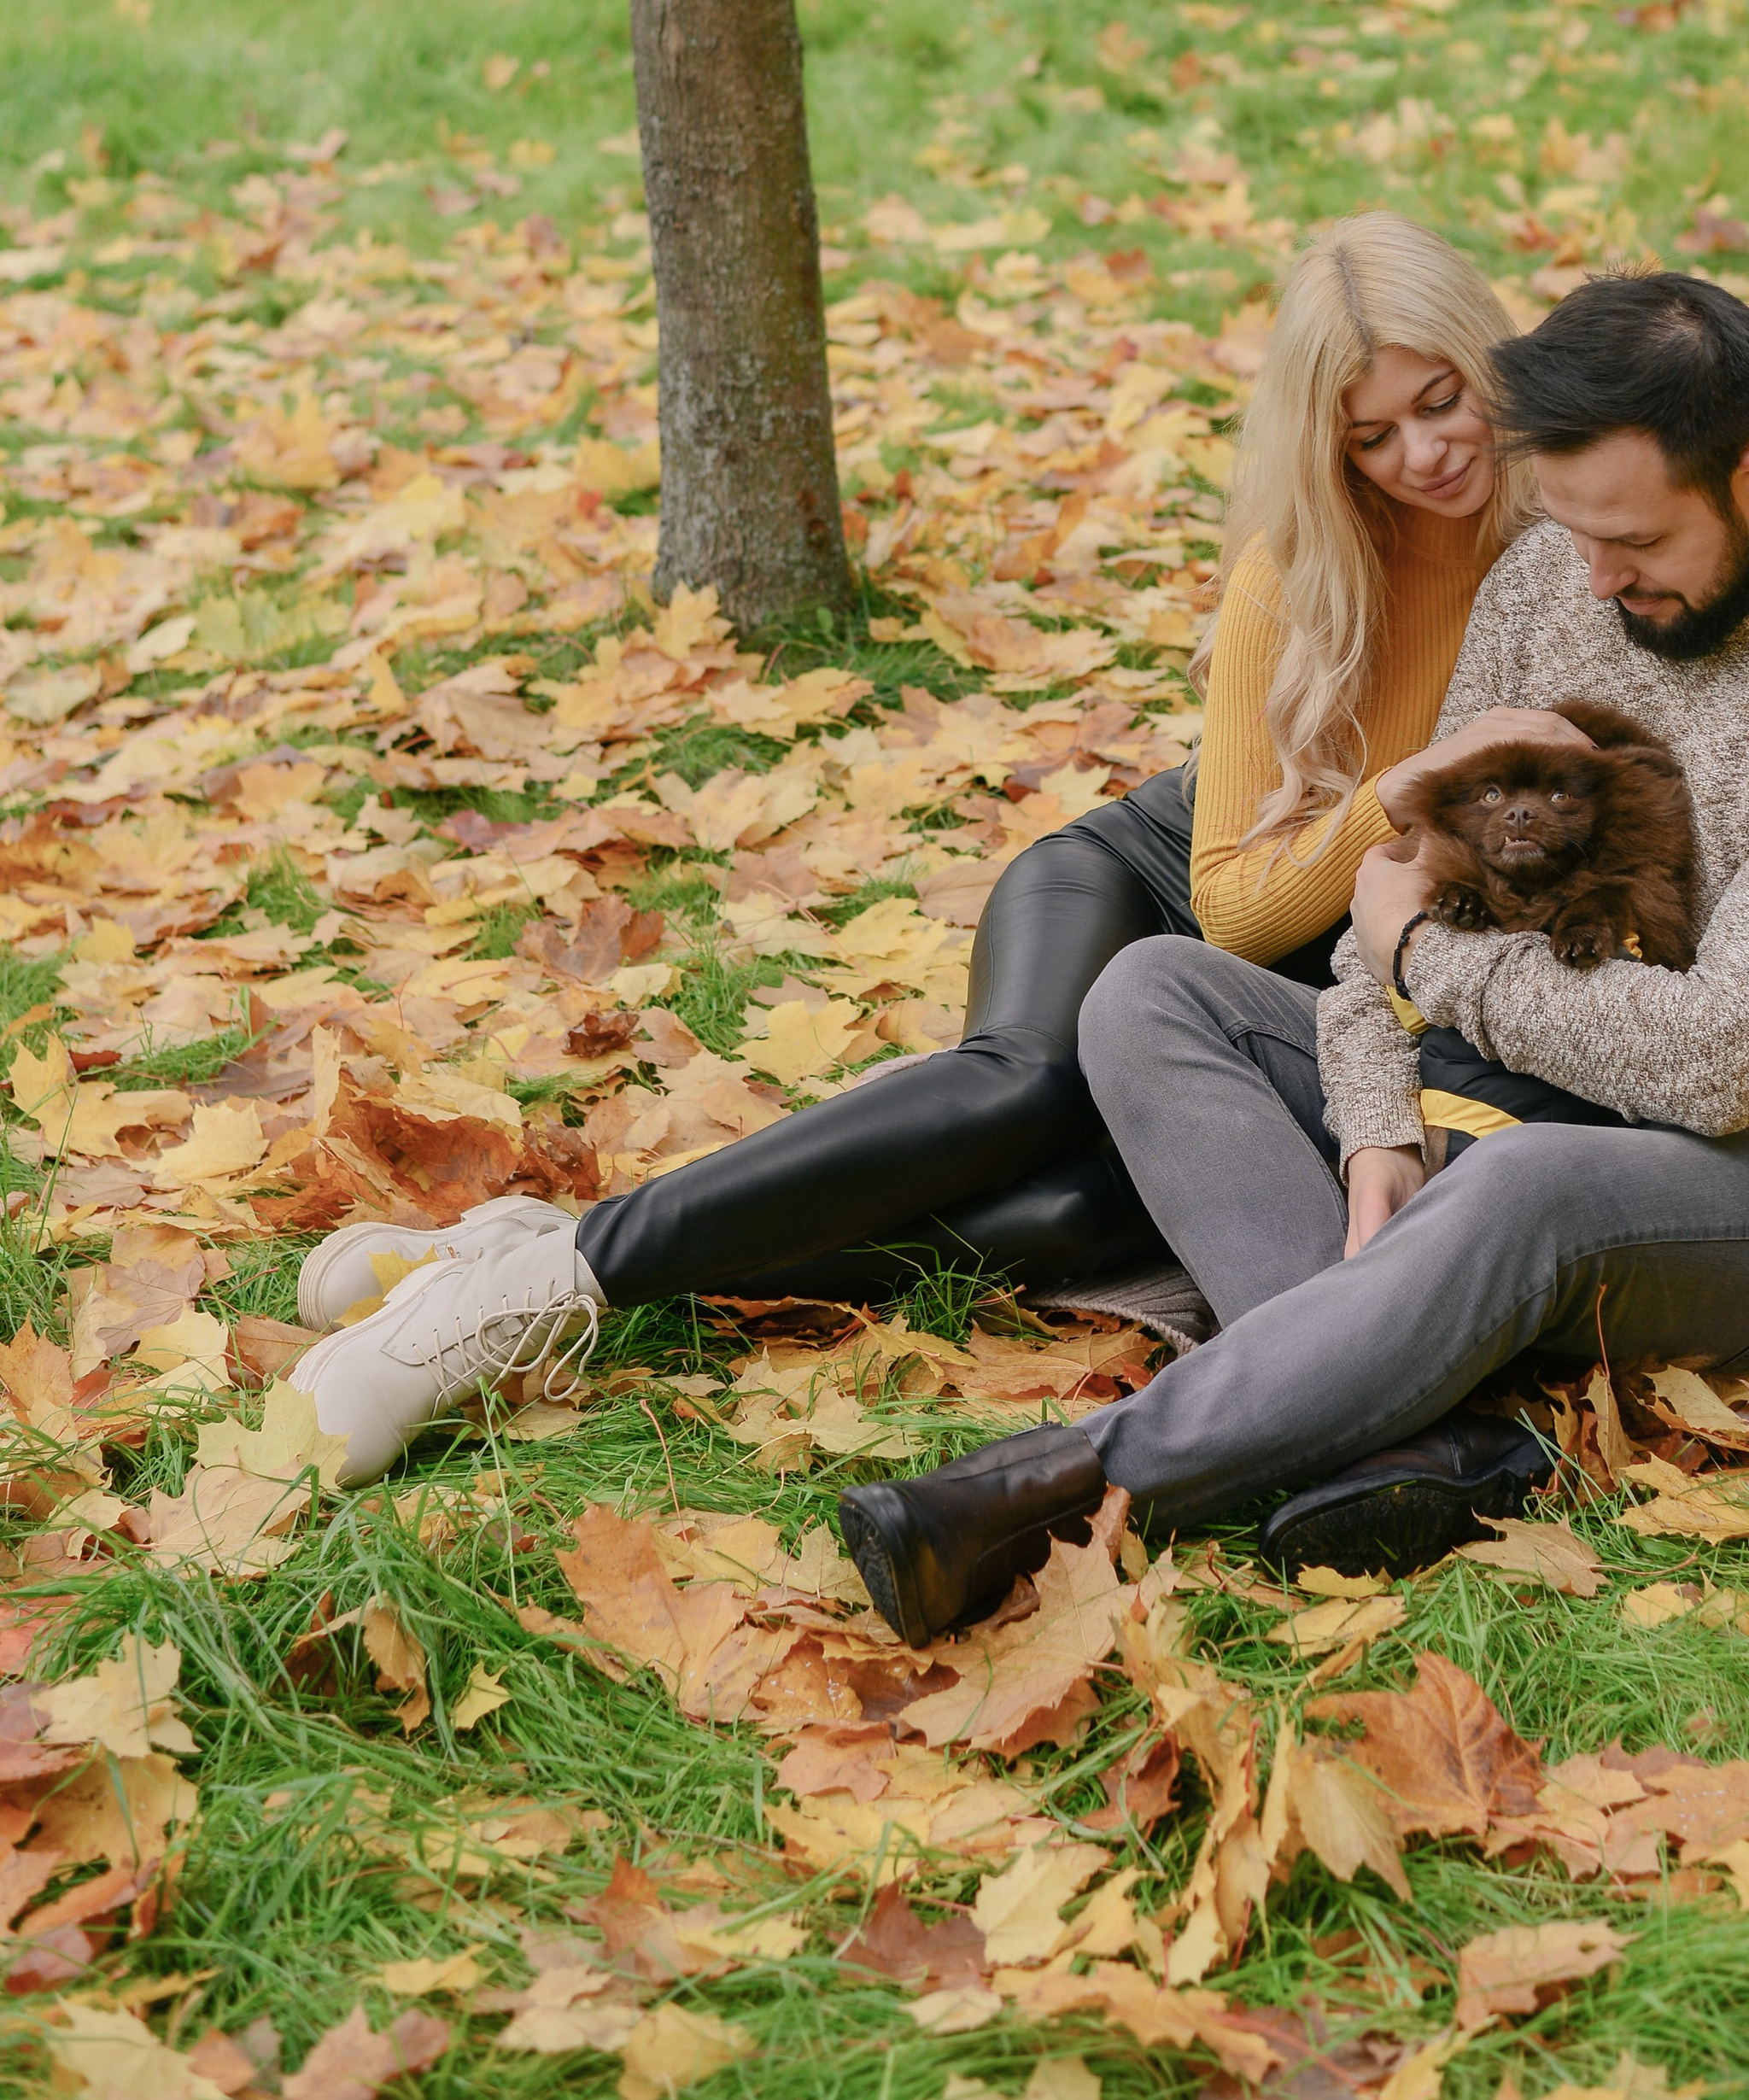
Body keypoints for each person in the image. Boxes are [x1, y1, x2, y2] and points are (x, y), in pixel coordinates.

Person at [831, 269, 1749, 1648]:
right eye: (1571, 532)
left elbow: (1715, 1063)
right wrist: (1378, 1117)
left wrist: (1431, 969)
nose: (1598, 581)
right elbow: (1399, 903)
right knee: (1152, 991)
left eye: (1633, 539)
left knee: (1526, 1184)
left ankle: (1051, 1489)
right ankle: (1411, 1440)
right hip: (1485, 1081)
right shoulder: (1547, 582)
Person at [288, 212, 1535, 1483]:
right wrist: (1409, 787)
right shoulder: (1303, 569)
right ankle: (534, 1293)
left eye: (1442, 404)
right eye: (1370, 438)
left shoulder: (1568, 545)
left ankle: (534, 1251)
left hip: (1285, 1008)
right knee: (1025, 1088)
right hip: (1154, 896)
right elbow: (1233, 910)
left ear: (1490, 361)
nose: (1423, 454)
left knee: (1071, 1218)